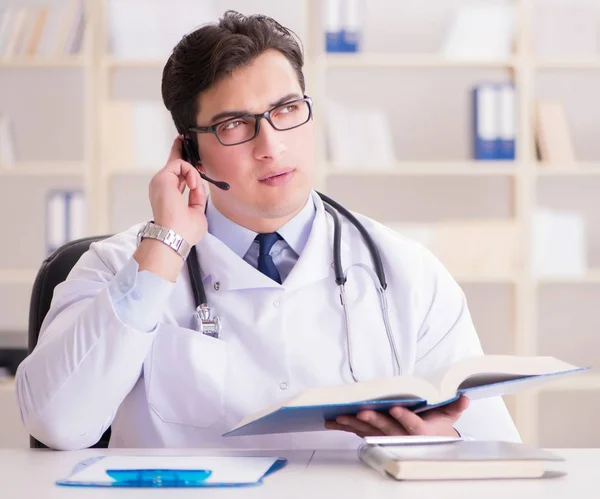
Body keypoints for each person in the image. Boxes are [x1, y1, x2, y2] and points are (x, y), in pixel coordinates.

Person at [15, 11, 520, 451]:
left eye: (286, 110)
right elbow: (58, 424)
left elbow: (493, 448)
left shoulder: (407, 272)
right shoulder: (116, 266)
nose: (271, 145)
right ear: (190, 151)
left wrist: (444, 446)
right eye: (235, 124)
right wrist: (164, 250)